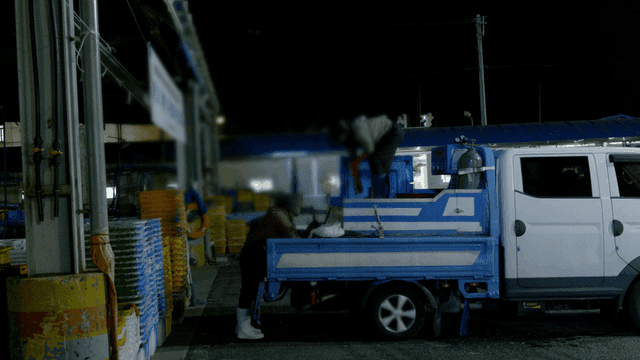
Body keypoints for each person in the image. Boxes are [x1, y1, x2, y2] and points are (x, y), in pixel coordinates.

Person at [236, 194, 302, 339]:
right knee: (249, 291)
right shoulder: (279, 214)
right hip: (253, 255)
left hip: (251, 253)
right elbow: (291, 235)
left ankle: (243, 326)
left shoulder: (273, 213)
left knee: (249, 290)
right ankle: (242, 329)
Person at [331, 114, 404, 198]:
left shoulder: (359, 131)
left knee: (377, 160)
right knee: (377, 164)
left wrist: (357, 162)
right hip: (382, 137)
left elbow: (369, 149)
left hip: (393, 132)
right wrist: (357, 181)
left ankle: (380, 195)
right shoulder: (348, 140)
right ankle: (380, 194)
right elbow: (354, 161)